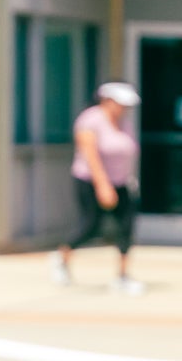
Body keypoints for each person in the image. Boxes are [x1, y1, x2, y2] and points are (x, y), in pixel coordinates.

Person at [53, 81, 143, 295]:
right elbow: (90, 155)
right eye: (121, 104)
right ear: (107, 101)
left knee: (125, 228)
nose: (124, 109)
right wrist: (102, 185)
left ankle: (122, 276)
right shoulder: (90, 120)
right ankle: (62, 258)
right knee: (91, 226)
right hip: (91, 181)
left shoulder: (124, 123)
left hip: (122, 182)